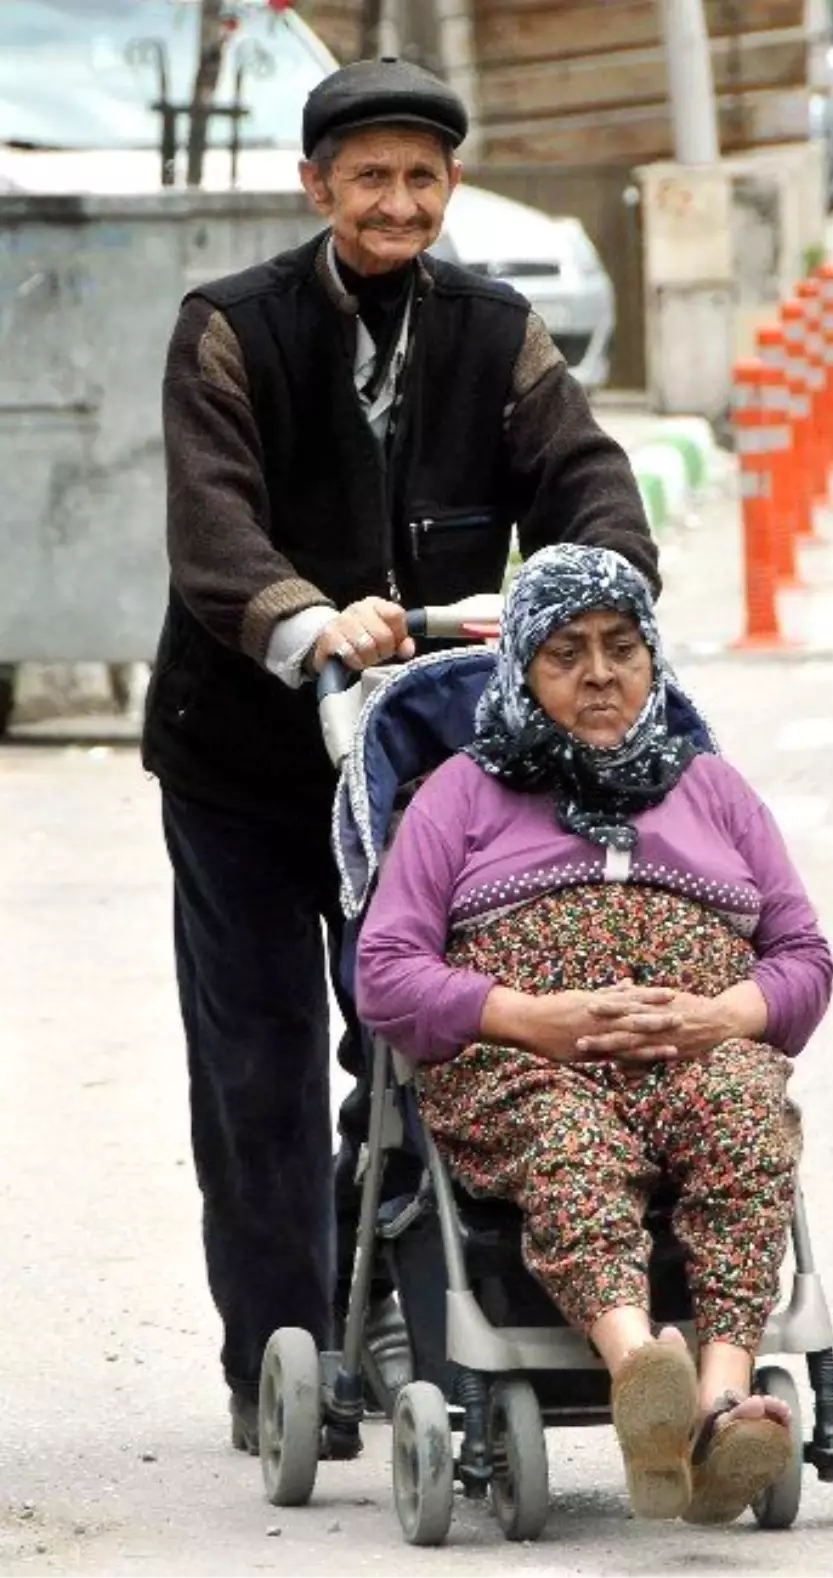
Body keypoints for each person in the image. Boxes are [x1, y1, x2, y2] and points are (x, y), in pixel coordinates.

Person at [140, 58, 658, 1453]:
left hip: (426, 758)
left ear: (450, 189)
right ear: (317, 188)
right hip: (245, 754)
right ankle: (280, 1352)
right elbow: (213, 530)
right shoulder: (231, 328)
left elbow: (585, 471)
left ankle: (401, 1305)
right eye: (369, 176)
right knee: (255, 1058)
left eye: (423, 176)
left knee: (418, 1033)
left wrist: (592, 586)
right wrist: (312, 621)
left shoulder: (496, 330)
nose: (398, 201)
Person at [355, 544, 833, 1524]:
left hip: (697, 1052)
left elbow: (803, 958)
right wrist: (533, 1019)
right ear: (523, 671)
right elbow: (387, 972)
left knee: (750, 1120)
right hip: (526, 1066)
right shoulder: (460, 795)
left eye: (623, 648)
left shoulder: (712, 789)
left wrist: (725, 1014)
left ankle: (721, 1401)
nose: (601, 674)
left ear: (655, 661)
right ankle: (639, 1374)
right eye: (566, 653)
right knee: (569, 1146)